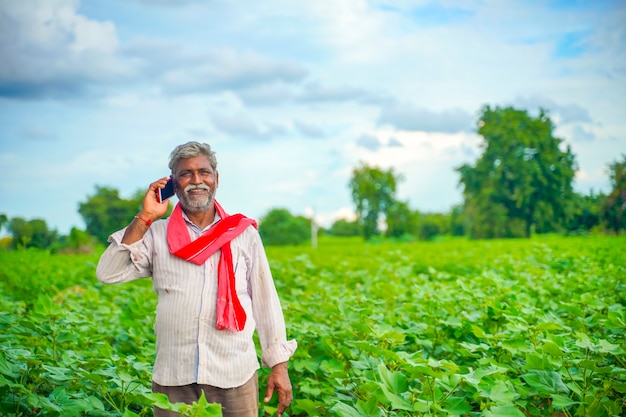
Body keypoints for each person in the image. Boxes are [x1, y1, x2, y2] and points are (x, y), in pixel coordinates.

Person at [96, 141, 297, 417]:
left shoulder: (242, 233)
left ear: (216, 179)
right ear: (172, 185)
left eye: (203, 172)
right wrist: (144, 217)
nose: (196, 180)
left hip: (233, 376)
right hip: (174, 378)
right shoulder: (156, 235)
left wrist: (279, 366)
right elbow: (107, 272)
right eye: (185, 174)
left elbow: (266, 300)